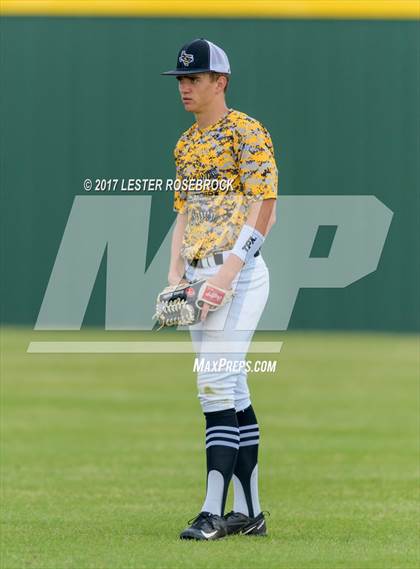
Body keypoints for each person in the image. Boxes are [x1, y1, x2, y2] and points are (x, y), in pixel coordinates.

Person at [162, 38, 278, 540]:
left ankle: (212, 512)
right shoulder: (186, 143)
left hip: (240, 274)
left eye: (195, 78)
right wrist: (174, 276)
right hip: (197, 274)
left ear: (220, 82)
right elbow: (185, 213)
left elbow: (265, 208)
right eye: (182, 79)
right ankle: (249, 514)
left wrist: (228, 275)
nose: (185, 86)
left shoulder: (246, 131)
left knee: (212, 385)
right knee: (231, 387)